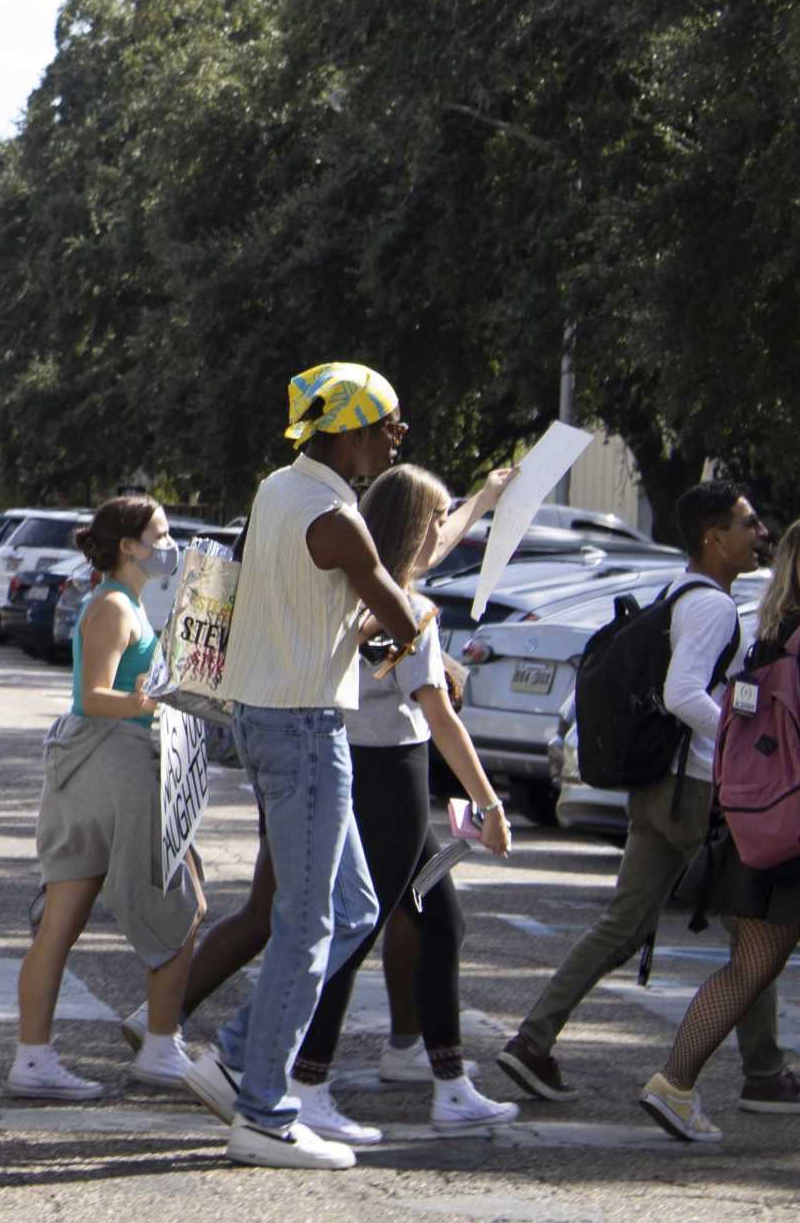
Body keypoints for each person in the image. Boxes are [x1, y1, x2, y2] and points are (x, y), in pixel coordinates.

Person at [499, 481, 800, 1116]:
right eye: (746, 525)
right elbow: (682, 692)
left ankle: (533, 1040)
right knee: (758, 931)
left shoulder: (681, 592)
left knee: (625, 924)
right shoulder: (715, 608)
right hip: (696, 789)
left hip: (659, 788)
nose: (759, 535)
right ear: (711, 537)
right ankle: (765, 1073)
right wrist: (738, 737)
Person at [180, 363, 419, 1171]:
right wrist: (415, 633)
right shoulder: (335, 515)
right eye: (389, 421)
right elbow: (394, 605)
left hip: (273, 716)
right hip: (305, 728)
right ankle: (266, 1116)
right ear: (348, 430)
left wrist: (368, 628)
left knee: (351, 906)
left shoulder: (279, 488)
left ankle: (236, 1057)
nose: (397, 434)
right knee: (310, 922)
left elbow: (316, 607)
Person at [275, 465, 520, 1140]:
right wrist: (489, 802)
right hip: (392, 778)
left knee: (440, 922)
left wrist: (485, 498)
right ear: (416, 527)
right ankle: (306, 1082)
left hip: (363, 769)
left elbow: (435, 541)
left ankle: (450, 1082)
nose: (444, 534)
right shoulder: (405, 609)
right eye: (436, 521)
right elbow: (440, 715)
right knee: (356, 930)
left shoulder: (351, 588)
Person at [9, 495, 204, 1102]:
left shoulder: (125, 603)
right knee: (180, 905)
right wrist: (157, 699)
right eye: (161, 533)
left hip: (90, 771)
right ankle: (161, 1046)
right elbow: (93, 696)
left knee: (63, 920)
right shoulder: (115, 607)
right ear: (129, 545)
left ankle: (34, 1058)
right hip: (114, 766)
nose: (170, 544)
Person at [639, 513, 800, 1141]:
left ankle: (675, 1084)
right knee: (752, 966)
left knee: (750, 965)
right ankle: (674, 1083)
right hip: (799, 829)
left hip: (760, 823)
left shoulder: (769, 636)